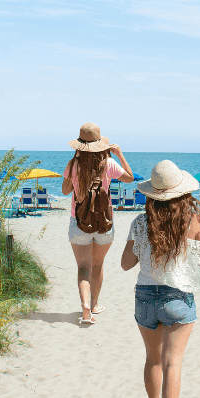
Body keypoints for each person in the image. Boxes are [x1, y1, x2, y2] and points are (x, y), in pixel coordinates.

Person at [121, 160, 200, 398]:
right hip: (177, 298)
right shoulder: (194, 221)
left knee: (152, 359)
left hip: (145, 297)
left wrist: (144, 248)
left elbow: (127, 264)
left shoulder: (140, 223)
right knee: (172, 363)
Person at [62, 122, 134, 324]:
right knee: (98, 264)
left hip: (79, 223)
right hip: (104, 223)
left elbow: (66, 191)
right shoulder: (109, 163)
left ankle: (85, 306)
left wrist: (73, 168)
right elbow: (129, 178)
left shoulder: (73, 164)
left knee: (83, 267)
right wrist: (119, 154)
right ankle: (94, 304)